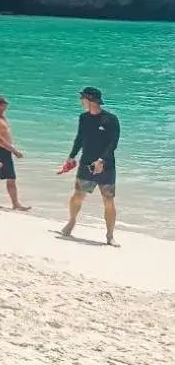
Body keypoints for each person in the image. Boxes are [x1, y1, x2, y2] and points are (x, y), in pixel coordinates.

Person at [60, 86, 120, 246]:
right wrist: (71, 157)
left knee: (108, 199)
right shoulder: (84, 118)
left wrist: (101, 160)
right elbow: (79, 139)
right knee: (78, 195)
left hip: (106, 166)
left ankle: (109, 236)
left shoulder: (111, 119)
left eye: (82, 98)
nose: (81, 101)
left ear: (90, 100)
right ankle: (72, 221)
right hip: (86, 163)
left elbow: (113, 144)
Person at [0, 94, 30, 211]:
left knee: (11, 177)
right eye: (4, 104)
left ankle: (15, 204)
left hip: (5, 150)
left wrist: (10, 148)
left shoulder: (1, 117)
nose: (6, 106)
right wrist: (14, 150)